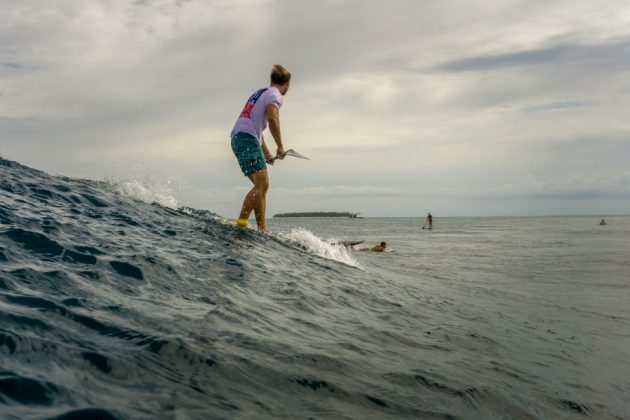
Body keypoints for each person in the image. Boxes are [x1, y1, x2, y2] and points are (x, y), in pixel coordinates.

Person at [230, 65, 291, 232]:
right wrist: (280, 146)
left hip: (239, 138)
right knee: (262, 184)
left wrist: (267, 154)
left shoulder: (262, 92)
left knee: (261, 186)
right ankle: (241, 225)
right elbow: (272, 118)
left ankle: (262, 228)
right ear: (287, 83)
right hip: (246, 138)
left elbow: (257, 128)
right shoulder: (275, 95)